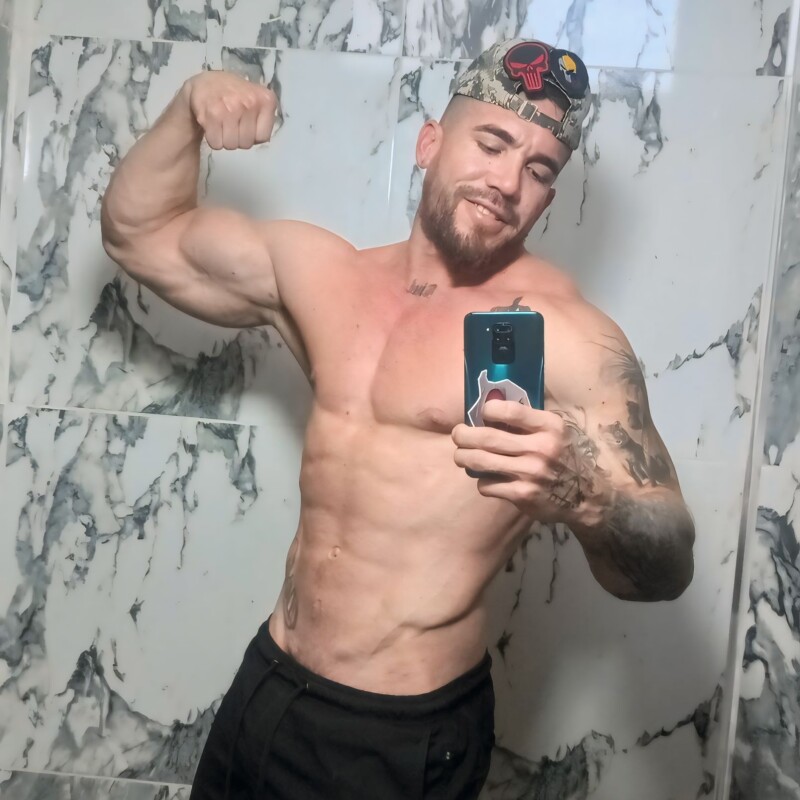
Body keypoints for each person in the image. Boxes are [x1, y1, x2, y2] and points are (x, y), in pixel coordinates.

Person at [101, 38, 695, 800]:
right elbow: (137, 234)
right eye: (492, 143)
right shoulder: (328, 277)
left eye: (540, 169)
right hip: (267, 684)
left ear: (549, 198)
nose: (508, 182)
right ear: (429, 143)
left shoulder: (566, 336)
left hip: (399, 732)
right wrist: (186, 110)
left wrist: (587, 496)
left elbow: (668, 563)